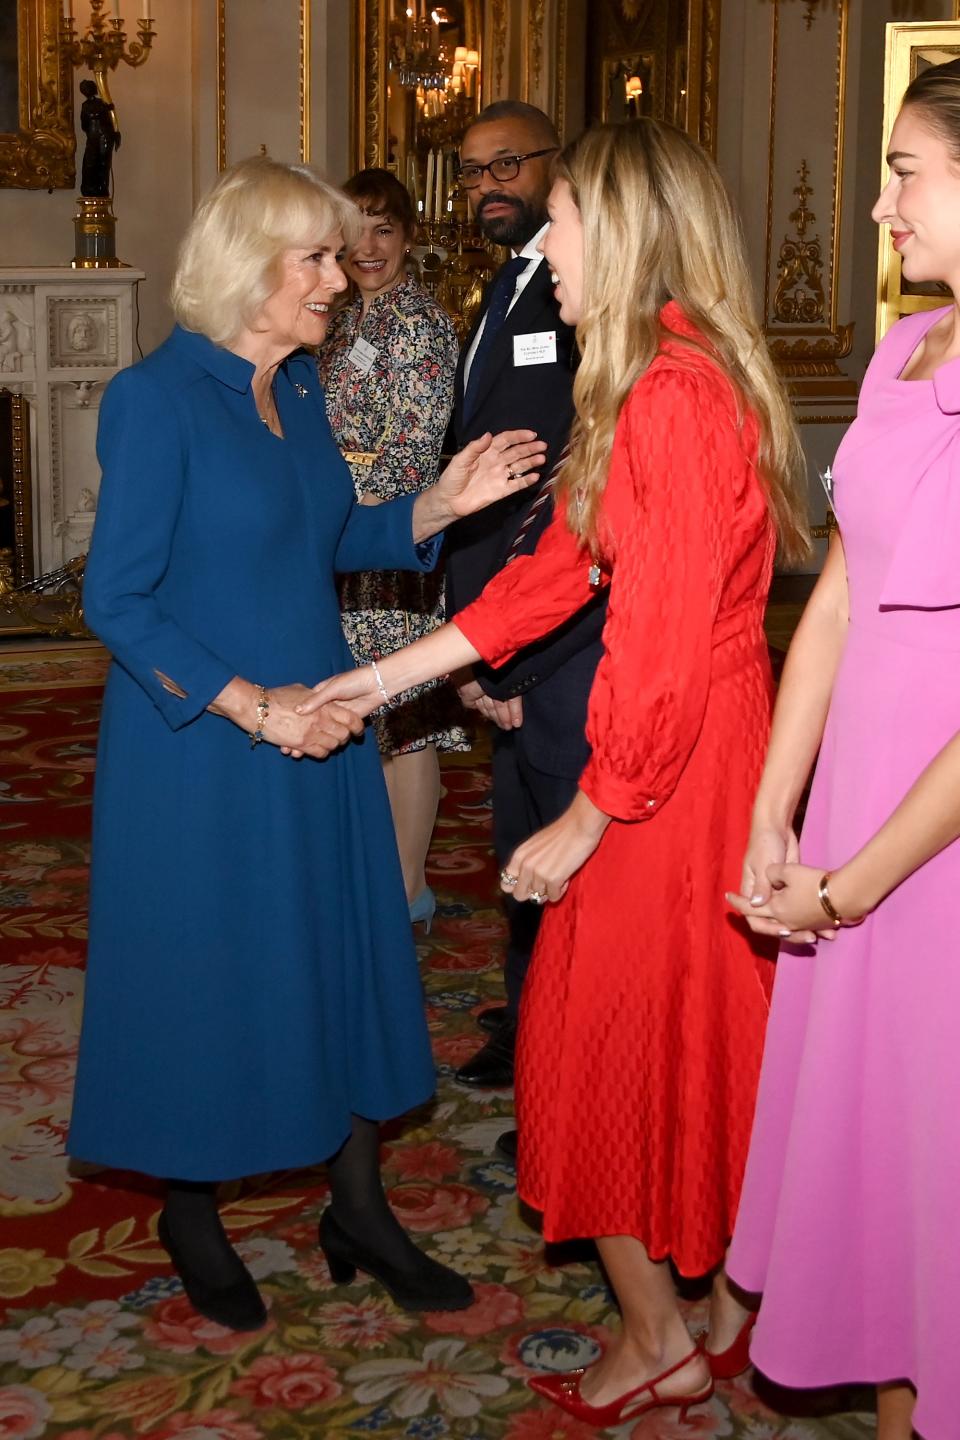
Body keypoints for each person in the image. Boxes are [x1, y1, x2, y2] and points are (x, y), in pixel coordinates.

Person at [302, 118, 810, 1422]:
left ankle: (666, 1334)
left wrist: (592, 810)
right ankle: (711, 1312)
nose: (544, 242)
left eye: (564, 217)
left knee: (598, 1043)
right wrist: (376, 680)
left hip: (669, 767)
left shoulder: (677, 393)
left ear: (625, 231)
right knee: (685, 1037)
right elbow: (555, 574)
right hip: (677, 751)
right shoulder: (652, 376)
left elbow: (654, 639)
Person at [68, 155, 545, 1334]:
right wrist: (251, 702)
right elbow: (116, 602)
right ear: (250, 270)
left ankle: (360, 1204)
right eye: (318, 258)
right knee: (207, 966)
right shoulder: (156, 397)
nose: (342, 275)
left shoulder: (305, 392)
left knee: (339, 951)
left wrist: (435, 505)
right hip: (206, 743)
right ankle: (190, 1206)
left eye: (340, 254)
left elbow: (326, 537)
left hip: (320, 722)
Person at [725, 58, 960, 1440]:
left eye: (907, 172)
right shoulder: (899, 351)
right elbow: (841, 595)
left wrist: (858, 880)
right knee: (885, 1168)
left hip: (931, 842)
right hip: (859, 813)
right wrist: (777, 811)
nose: (877, 208)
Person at [446, 101, 607, 1140]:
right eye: (470, 172)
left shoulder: (588, 292)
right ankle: (537, 1040)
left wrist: (500, 650)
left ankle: (571, 1073)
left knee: (567, 862)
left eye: (508, 165)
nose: (487, 185)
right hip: (502, 631)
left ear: (556, 169)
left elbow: (561, 491)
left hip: (551, 641)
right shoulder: (506, 284)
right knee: (521, 853)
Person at [318, 167, 465, 930]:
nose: (369, 247)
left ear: (409, 236)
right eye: (357, 231)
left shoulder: (420, 323)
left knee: (406, 717)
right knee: (364, 716)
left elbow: (413, 452)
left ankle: (409, 888)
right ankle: (378, 877)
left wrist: (335, 500)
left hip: (391, 545)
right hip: (338, 546)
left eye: (385, 229)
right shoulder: (339, 319)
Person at [79, 79, 120, 199]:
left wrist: (114, 133)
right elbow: (84, 124)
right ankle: (89, 189)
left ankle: (101, 189)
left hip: (104, 138)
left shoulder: (103, 103)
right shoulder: (86, 106)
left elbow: (110, 120)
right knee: (89, 163)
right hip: (93, 138)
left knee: (103, 164)